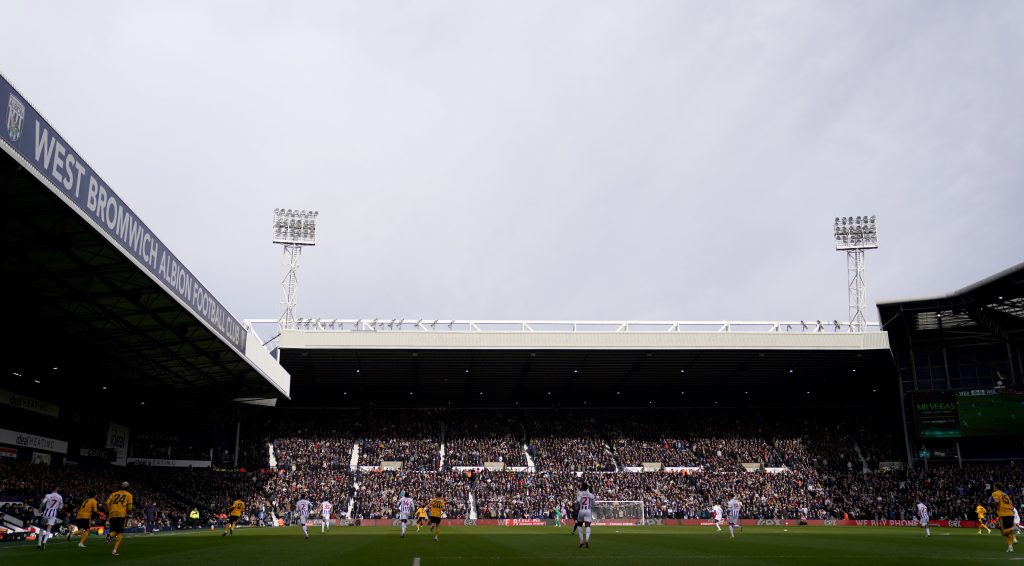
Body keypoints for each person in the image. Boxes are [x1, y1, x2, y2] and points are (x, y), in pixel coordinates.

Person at [105, 482, 133, 556]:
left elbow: (107, 503)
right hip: (121, 514)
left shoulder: (114, 494)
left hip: (112, 514)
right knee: (120, 532)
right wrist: (128, 510)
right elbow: (130, 507)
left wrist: (109, 510)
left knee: (114, 530)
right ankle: (114, 548)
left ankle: (111, 537)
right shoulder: (129, 495)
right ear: (128, 488)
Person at [992, 483, 1017, 553]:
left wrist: (992, 502)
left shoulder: (995, 493)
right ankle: (1010, 548)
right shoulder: (1006, 495)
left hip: (1003, 514)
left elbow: (997, 501)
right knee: (1008, 533)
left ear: (996, 487)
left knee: (1003, 532)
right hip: (1011, 514)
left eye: (994, 487)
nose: (993, 488)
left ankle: (1014, 528)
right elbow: (1011, 505)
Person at [575, 482, 595, 549]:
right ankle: (586, 540)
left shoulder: (579, 493)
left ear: (582, 487)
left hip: (581, 510)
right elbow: (594, 502)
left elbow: (577, 501)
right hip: (588, 511)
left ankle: (581, 541)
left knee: (579, 525)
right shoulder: (590, 494)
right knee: (588, 525)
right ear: (587, 488)